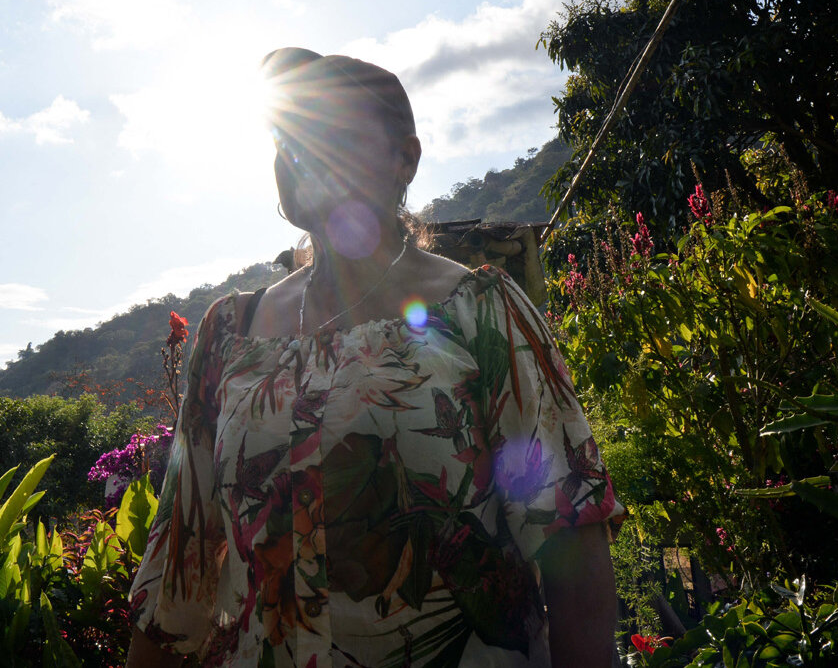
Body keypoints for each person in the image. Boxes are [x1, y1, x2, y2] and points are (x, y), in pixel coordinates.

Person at [126, 48, 622, 667]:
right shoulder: (228, 333)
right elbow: (182, 565)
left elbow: (570, 538)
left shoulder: (481, 312)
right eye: (289, 138)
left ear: (405, 159)